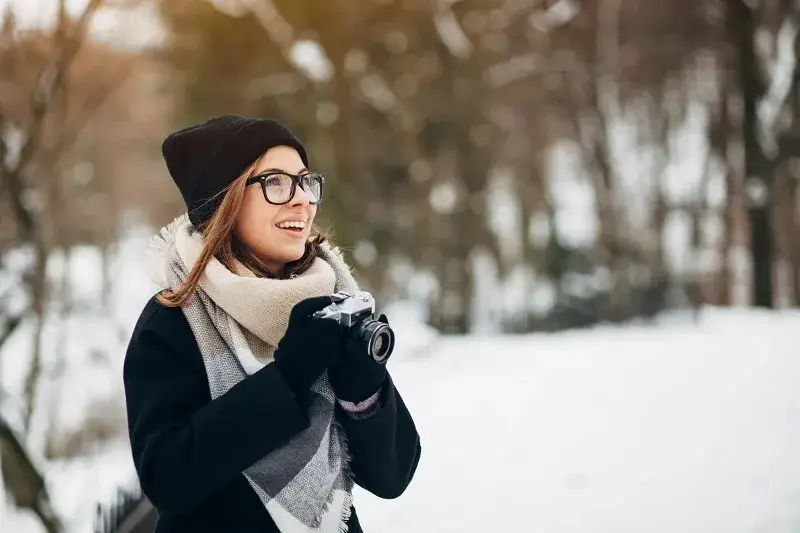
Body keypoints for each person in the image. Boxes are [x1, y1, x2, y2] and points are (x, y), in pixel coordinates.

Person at [122, 115, 422, 533]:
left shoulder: (331, 300)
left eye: (305, 182)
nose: (302, 200)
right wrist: (287, 379)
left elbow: (393, 476)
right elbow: (167, 478)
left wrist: (363, 389)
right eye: (276, 183)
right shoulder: (173, 321)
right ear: (225, 201)